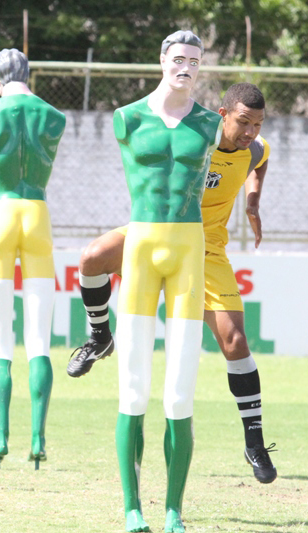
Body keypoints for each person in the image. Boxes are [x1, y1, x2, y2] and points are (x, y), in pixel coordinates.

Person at [67, 82, 277, 485]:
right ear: (222, 115)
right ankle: (99, 336)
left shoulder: (254, 148)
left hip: (207, 248)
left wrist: (252, 201)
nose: (250, 131)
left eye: (258, 123)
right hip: (157, 233)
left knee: (235, 341)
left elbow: (262, 158)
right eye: (243, 121)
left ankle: (254, 441)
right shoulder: (197, 138)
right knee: (92, 258)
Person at [103, 31, 222, 533]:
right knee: (133, 389)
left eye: (194, 61)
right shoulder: (128, 118)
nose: (186, 68)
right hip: (141, 249)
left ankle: (173, 509)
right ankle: (133, 508)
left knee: (179, 394)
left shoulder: (210, 124)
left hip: (188, 252)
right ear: (161, 60)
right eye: (178, 59)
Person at [0, 48, 66, 469]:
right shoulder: (53, 117)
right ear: (31, 74)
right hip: (37, 214)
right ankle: (38, 436)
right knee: (39, 341)